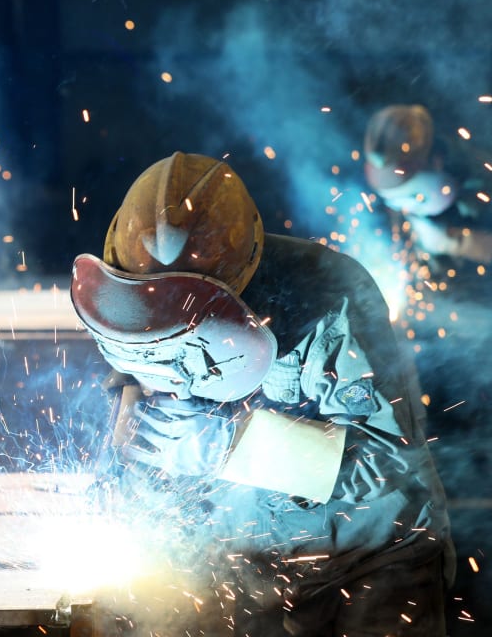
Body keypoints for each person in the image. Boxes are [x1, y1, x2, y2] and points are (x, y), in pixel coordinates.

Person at [70, 152, 455, 636]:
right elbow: (136, 422)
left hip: (367, 566)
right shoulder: (130, 303)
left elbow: (389, 465)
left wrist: (233, 447)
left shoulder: (330, 299)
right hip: (254, 570)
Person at [363, 104, 492, 406]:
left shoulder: (489, 180)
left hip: (483, 325)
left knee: (476, 412)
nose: (405, 207)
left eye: (411, 196)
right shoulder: (391, 188)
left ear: (436, 161)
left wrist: (460, 242)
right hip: (422, 326)